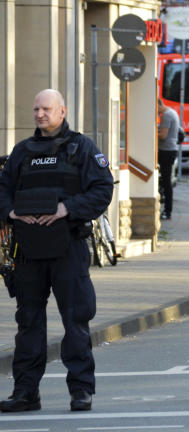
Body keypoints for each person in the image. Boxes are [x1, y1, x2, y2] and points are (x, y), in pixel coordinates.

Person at [0, 90, 113, 412]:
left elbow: (103, 189)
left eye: (46, 109)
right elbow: (2, 191)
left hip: (68, 246)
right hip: (28, 250)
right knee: (28, 324)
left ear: (62, 111)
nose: (39, 114)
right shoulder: (22, 152)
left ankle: (81, 391)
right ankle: (25, 392)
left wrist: (67, 208)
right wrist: (11, 213)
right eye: (35, 109)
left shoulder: (82, 148)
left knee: (75, 322)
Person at [157, 100, 180, 220]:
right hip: (170, 150)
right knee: (166, 181)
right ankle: (167, 209)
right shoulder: (173, 112)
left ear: (159, 105)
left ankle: (167, 210)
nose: (156, 112)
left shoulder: (166, 115)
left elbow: (163, 135)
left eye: (155, 109)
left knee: (166, 182)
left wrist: (152, 132)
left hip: (166, 151)